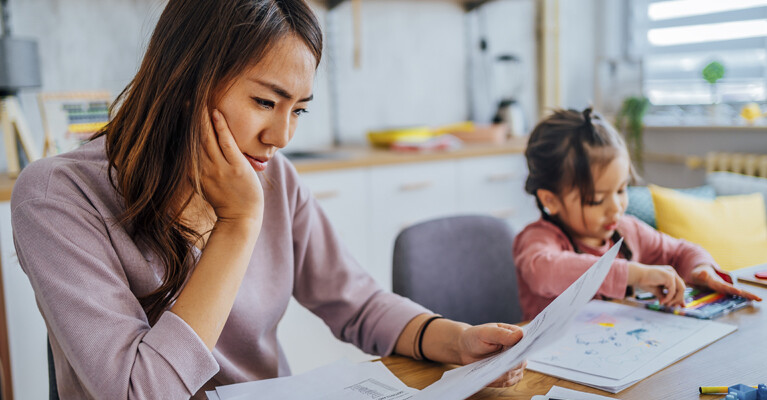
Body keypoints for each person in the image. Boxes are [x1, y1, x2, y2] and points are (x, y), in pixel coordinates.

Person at [11, 1, 525, 398]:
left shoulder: (276, 177)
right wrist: (237, 224)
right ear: (186, 83)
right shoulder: (58, 197)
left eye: (298, 109)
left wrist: (456, 341)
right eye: (264, 102)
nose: (281, 135)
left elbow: (359, 303)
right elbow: (140, 393)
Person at [513, 108, 761, 320]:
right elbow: (545, 271)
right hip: (549, 368)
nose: (616, 207)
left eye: (621, 190)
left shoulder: (627, 230)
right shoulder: (537, 239)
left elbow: (682, 250)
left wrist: (700, 269)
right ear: (550, 200)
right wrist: (635, 273)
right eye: (596, 199)